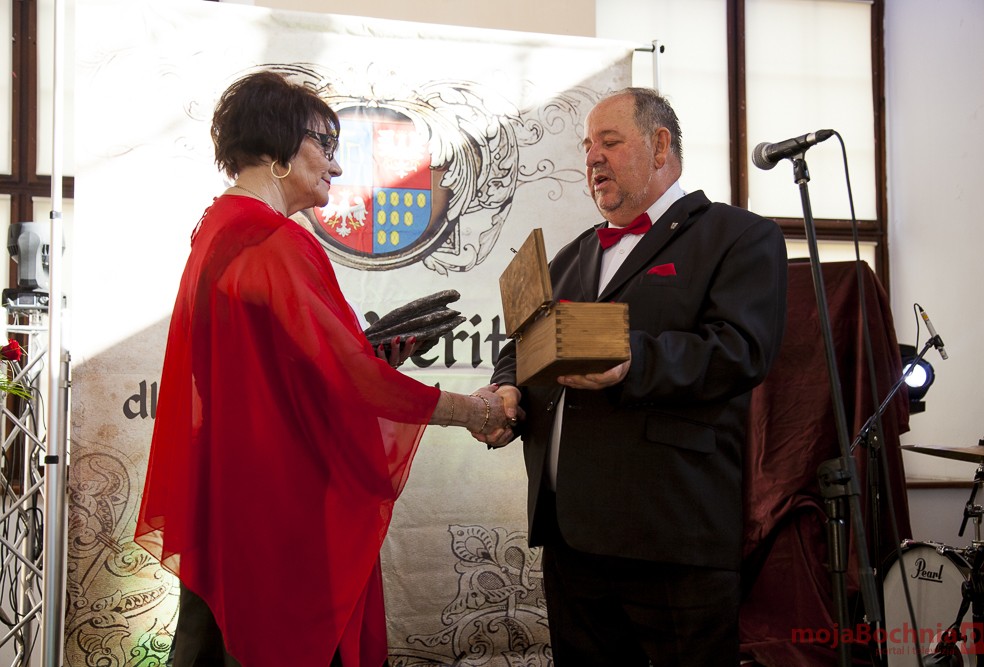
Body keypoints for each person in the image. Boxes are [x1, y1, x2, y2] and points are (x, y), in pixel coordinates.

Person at [134, 70, 516, 667]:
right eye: (325, 145)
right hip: (279, 508)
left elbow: (275, 370)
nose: (336, 166)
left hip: (231, 500)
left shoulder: (217, 229)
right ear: (278, 146)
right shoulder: (274, 241)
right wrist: (472, 411)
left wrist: (369, 350)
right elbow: (349, 381)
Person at [482, 87, 788, 666]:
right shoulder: (572, 255)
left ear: (660, 145)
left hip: (672, 534)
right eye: (587, 146)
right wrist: (508, 390)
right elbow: (522, 345)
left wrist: (634, 362)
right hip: (571, 538)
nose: (592, 157)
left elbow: (741, 350)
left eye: (610, 142)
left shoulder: (740, 237)